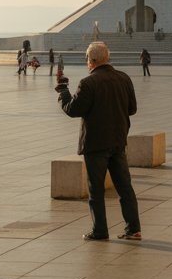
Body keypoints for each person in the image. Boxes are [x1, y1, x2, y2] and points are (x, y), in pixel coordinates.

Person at [56, 41, 141, 241]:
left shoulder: (88, 83)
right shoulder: (123, 78)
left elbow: (73, 109)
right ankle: (134, 228)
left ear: (92, 60)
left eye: (87, 59)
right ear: (106, 58)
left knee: (96, 190)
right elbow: (132, 109)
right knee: (125, 187)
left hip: (95, 145)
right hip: (118, 141)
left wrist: (63, 92)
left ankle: (100, 231)